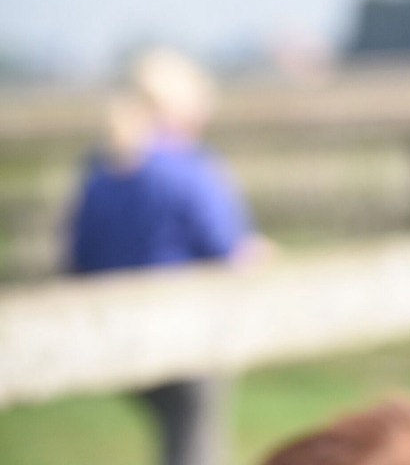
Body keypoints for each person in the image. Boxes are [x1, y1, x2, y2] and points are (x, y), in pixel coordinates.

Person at [66, 48, 269, 465]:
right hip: (184, 330)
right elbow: (228, 248)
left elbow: (79, 257)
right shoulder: (190, 168)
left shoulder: (100, 170)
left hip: (113, 334)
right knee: (193, 443)